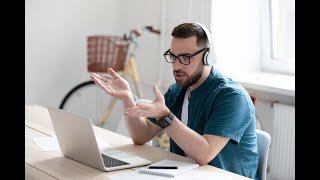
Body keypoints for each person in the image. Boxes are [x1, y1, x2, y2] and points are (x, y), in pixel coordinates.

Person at [90, 22, 259, 179]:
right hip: (184, 174)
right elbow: (141, 136)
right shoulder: (177, 90)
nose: (176, 66)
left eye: (185, 58)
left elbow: (204, 154)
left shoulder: (231, 97)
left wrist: (166, 116)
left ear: (208, 57)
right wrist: (127, 97)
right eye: (173, 56)